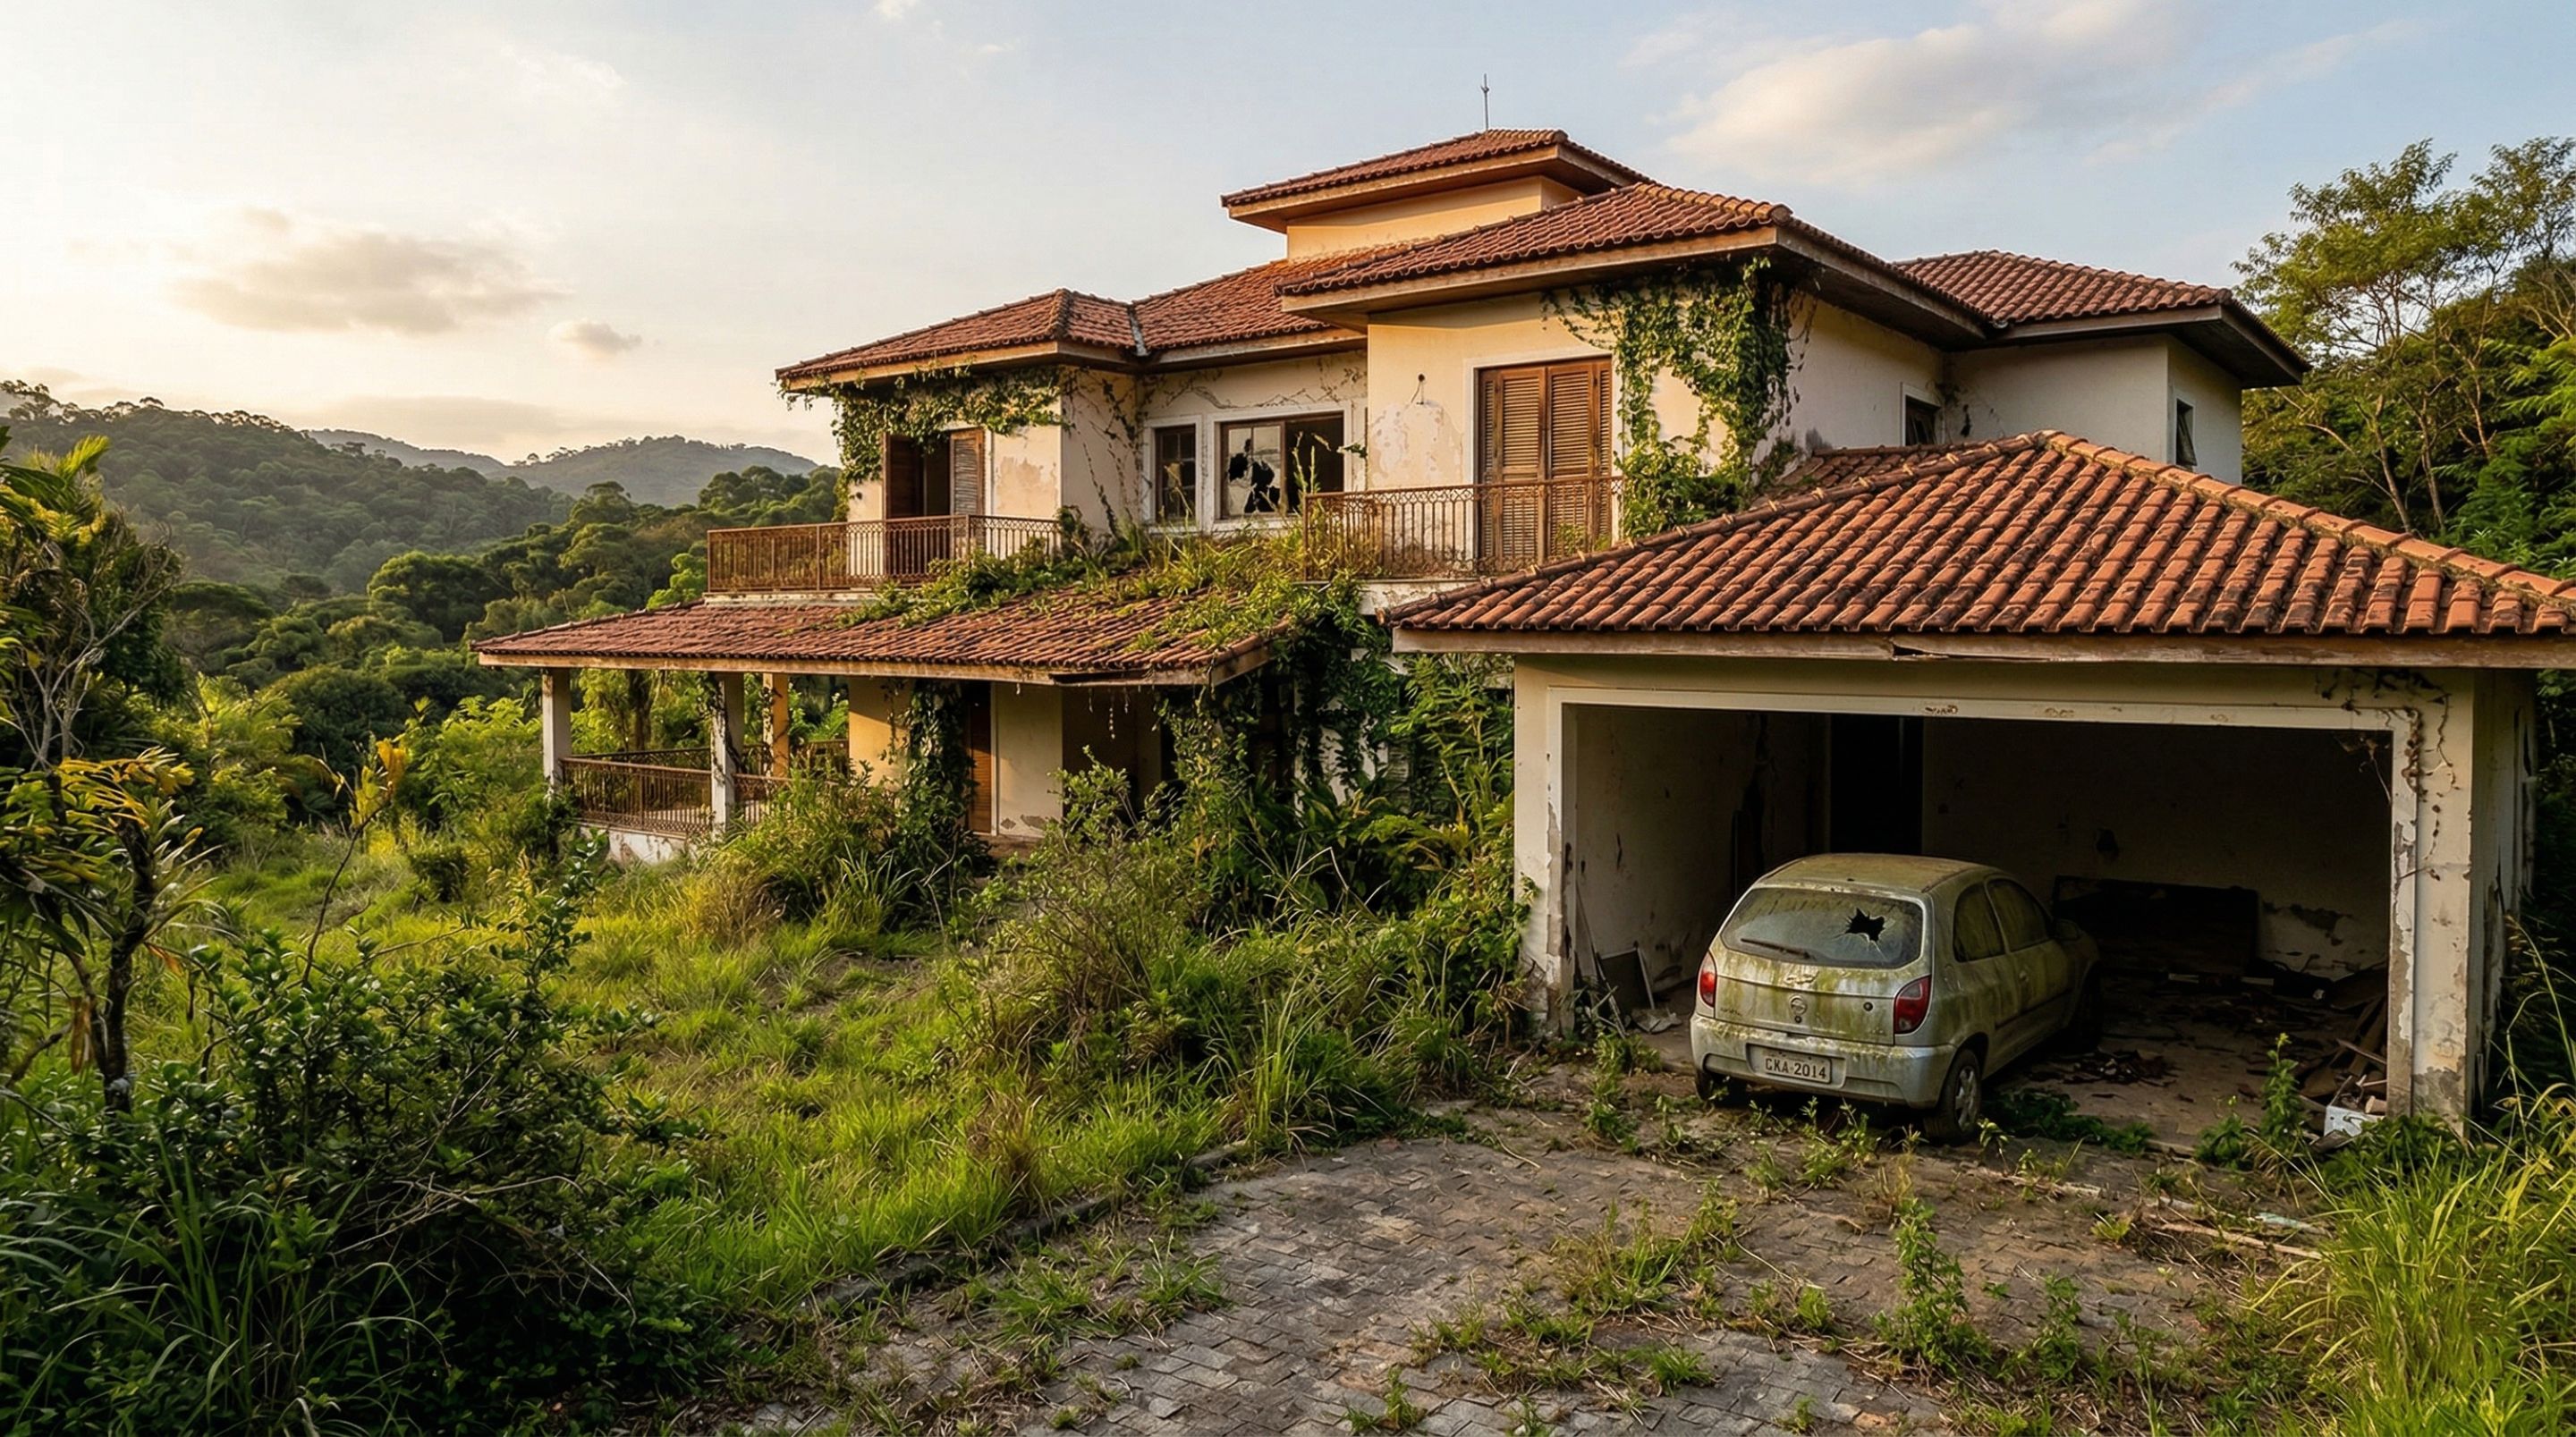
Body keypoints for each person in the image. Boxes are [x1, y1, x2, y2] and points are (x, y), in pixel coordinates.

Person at [1229, 435, 1280, 515]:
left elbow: (1268, 480)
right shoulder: (1237, 461)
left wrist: (1266, 468)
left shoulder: (1259, 466)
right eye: (1250, 450)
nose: (1252, 455)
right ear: (1246, 450)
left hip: (1252, 498)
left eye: (1256, 452)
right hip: (1237, 495)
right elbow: (1232, 480)